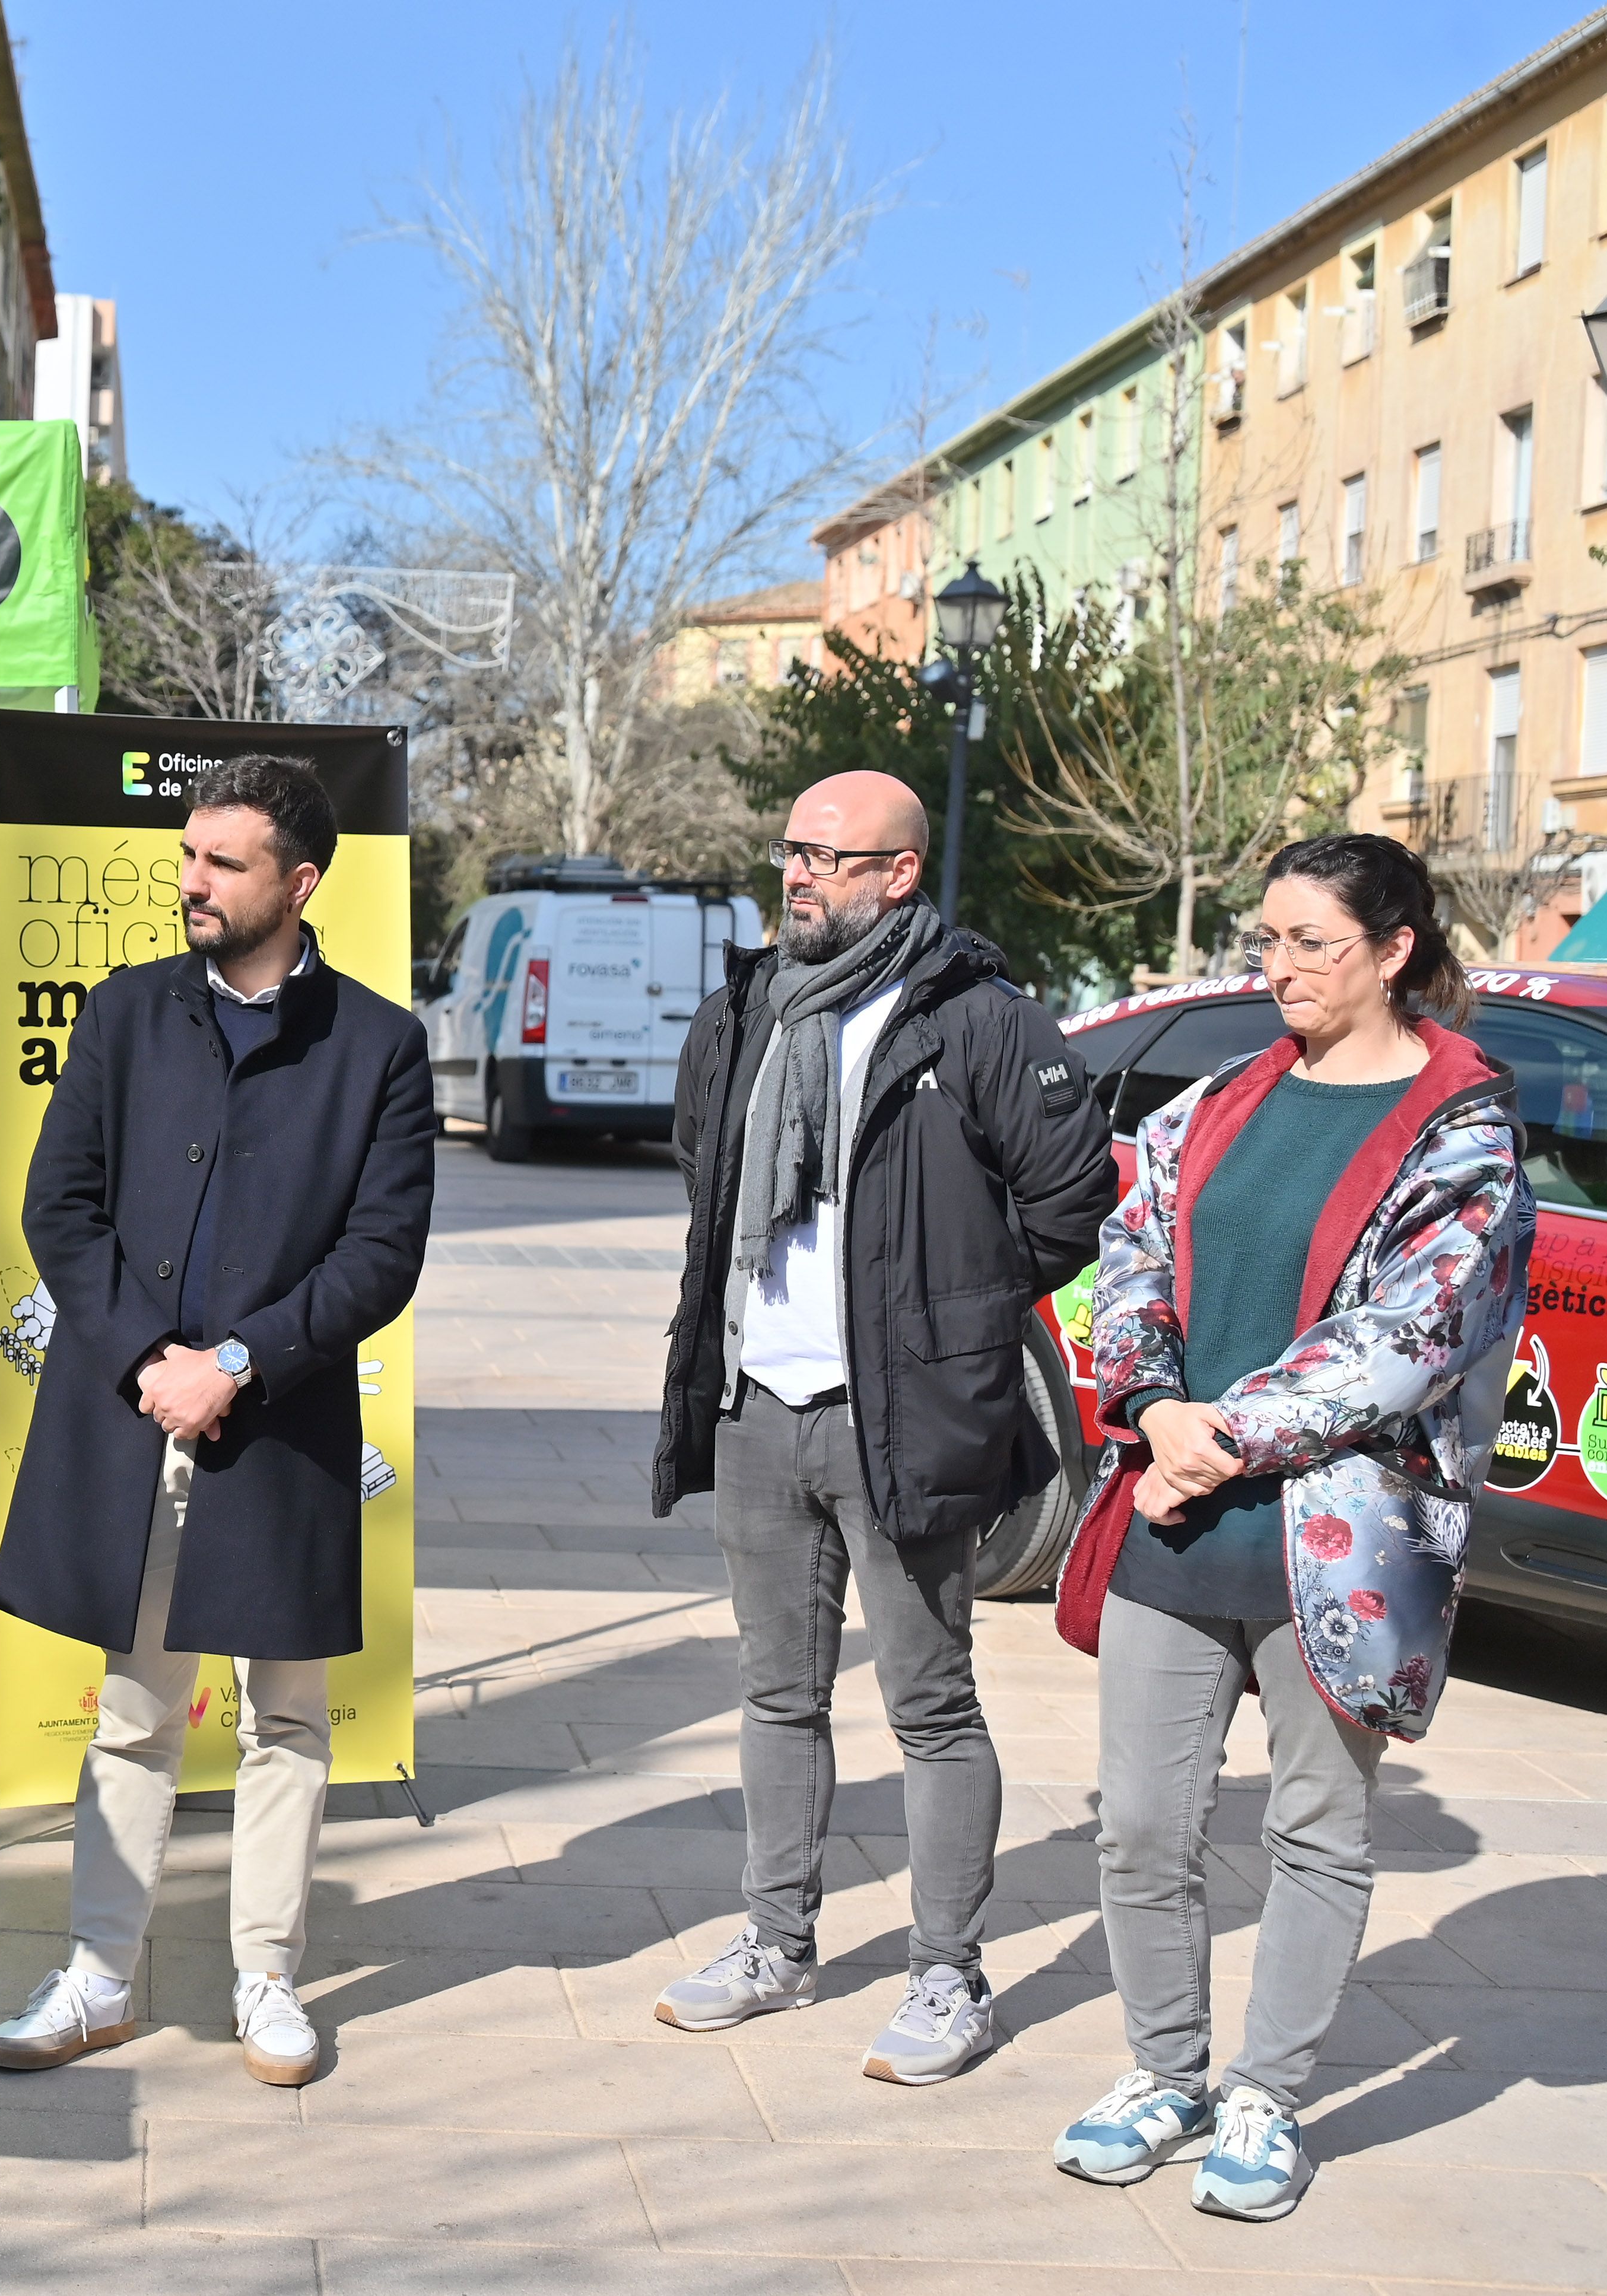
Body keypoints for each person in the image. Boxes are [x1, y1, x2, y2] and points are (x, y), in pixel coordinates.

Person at [1056, 834, 1530, 2221]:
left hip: (1341, 1534)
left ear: (1391, 950)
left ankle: (1264, 2099)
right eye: (1264, 941)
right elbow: (1129, 1249)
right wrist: (1148, 1406)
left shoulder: (1464, 1127)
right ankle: (1163, 2073)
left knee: (1314, 1830)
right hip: (1170, 1510)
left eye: (1308, 943)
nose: (1276, 970)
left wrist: (1218, 1437)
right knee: (1139, 1827)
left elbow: (1411, 1335)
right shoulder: (1218, 1098)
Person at [0, 754, 437, 2087]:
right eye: (185, 856)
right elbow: (57, 1207)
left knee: (286, 1719)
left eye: (221, 862)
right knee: (131, 1713)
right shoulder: (122, 1015)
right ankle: (99, 1978)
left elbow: (380, 1253)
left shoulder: (380, 1047)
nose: (189, 881)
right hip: (129, 1425)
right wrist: (148, 1362)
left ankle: (266, 1982)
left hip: (277, 1427)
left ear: (297, 882)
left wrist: (236, 1360)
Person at [649, 770, 1114, 2081]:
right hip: (759, 1403)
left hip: (899, 1417)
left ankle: (945, 1975)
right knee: (774, 1693)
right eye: (788, 852)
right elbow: (704, 1164)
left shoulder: (974, 1018)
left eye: (828, 857)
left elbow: (1070, 1197)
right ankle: (770, 1942)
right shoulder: (745, 1007)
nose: (796, 876)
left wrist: (947, 1320)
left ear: (897, 874)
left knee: (928, 1702)